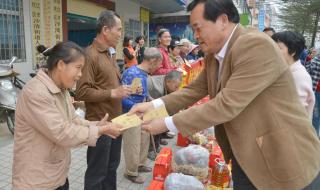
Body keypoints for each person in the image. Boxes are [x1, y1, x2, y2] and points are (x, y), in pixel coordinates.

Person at [129, 0, 320, 189]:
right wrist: (153, 106)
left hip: (282, 158)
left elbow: (226, 103)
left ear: (222, 20)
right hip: (246, 155)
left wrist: (166, 123)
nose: (195, 36)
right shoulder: (215, 53)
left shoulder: (254, 45)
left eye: (198, 28)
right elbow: (194, 90)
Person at [12, 42, 123, 190]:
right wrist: (99, 131)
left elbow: (72, 120)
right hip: (36, 181)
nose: (80, 75)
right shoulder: (36, 92)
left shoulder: (61, 89)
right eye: (78, 68)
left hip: (57, 176)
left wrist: (96, 125)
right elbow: (61, 132)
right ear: (61, 65)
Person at [75, 10, 132, 190]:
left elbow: (109, 82)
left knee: (111, 168)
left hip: (116, 121)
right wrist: (112, 93)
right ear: (105, 30)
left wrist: (123, 90)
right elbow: (82, 92)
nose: (120, 34)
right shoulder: (89, 55)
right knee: (97, 173)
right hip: (100, 123)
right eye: (118, 29)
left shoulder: (110, 53)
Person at [121, 48, 163, 183]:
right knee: (133, 143)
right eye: (158, 63)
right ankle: (131, 172)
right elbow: (122, 97)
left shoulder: (144, 74)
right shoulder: (132, 73)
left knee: (144, 138)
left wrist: (149, 99)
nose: (159, 67)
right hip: (131, 113)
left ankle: (140, 163)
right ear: (152, 61)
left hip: (144, 111)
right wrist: (135, 107)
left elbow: (142, 93)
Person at [272, 31, 315, 118]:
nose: (272, 51)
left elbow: (295, 114)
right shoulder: (283, 70)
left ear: (293, 52)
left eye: (278, 48)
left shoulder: (299, 76)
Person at [146, 71, 182, 160]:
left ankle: (157, 143)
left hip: (154, 102)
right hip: (145, 104)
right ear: (168, 82)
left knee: (164, 119)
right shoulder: (157, 88)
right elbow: (157, 109)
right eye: (176, 87)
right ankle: (150, 149)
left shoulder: (167, 81)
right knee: (156, 123)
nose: (177, 89)